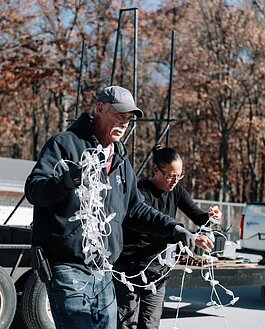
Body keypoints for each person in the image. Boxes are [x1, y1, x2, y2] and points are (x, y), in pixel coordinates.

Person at [25, 86, 213, 329]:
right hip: (67, 266)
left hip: (104, 270)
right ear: (100, 109)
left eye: (128, 119)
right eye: (120, 115)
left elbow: (136, 208)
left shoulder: (121, 161)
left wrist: (176, 229)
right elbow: (34, 190)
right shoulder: (65, 145)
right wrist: (64, 182)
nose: (125, 123)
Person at [114, 146, 222, 329]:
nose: (174, 181)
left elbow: (197, 216)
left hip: (157, 271)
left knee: (150, 324)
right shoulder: (141, 193)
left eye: (179, 176)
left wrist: (211, 216)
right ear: (156, 170)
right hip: (129, 267)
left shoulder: (177, 191)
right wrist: (183, 235)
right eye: (170, 176)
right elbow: (152, 229)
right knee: (127, 324)